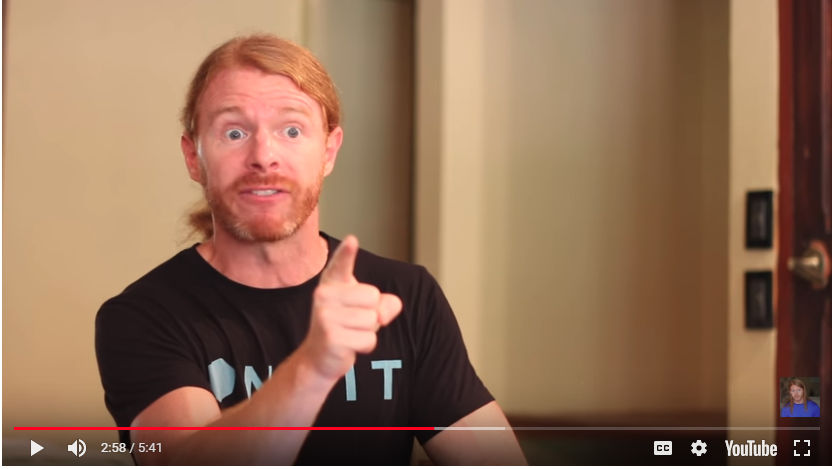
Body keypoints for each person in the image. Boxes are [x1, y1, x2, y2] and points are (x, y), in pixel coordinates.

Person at [94, 34, 527, 465]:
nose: (264, 156)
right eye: (234, 132)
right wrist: (313, 367)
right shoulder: (143, 316)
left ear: (329, 151)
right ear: (194, 157)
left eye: (292, 130)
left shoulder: (403, 296)